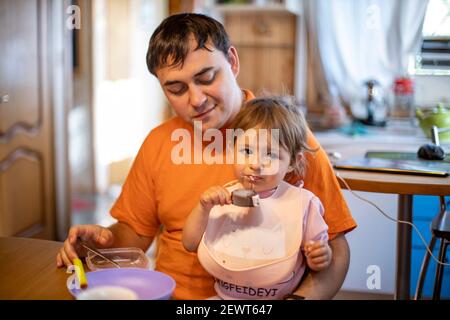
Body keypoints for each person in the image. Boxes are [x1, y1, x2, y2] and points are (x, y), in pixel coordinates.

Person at [57, 13, 356, 300]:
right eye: (176, 89)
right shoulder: (160, 142)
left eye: (206, 77)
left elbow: (335, 246)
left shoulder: (285, 138)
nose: (196, 100)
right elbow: (135, 233)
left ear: (233, 62)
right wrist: (98, 244)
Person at [182, 96, 332, 299]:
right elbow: (190, 243)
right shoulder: (221, 197)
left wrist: (321, 256)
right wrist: (203, 208)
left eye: (270, 155)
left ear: (292, 162)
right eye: (246, 151)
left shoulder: (303, 203)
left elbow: (319, 255)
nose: (256, 163)